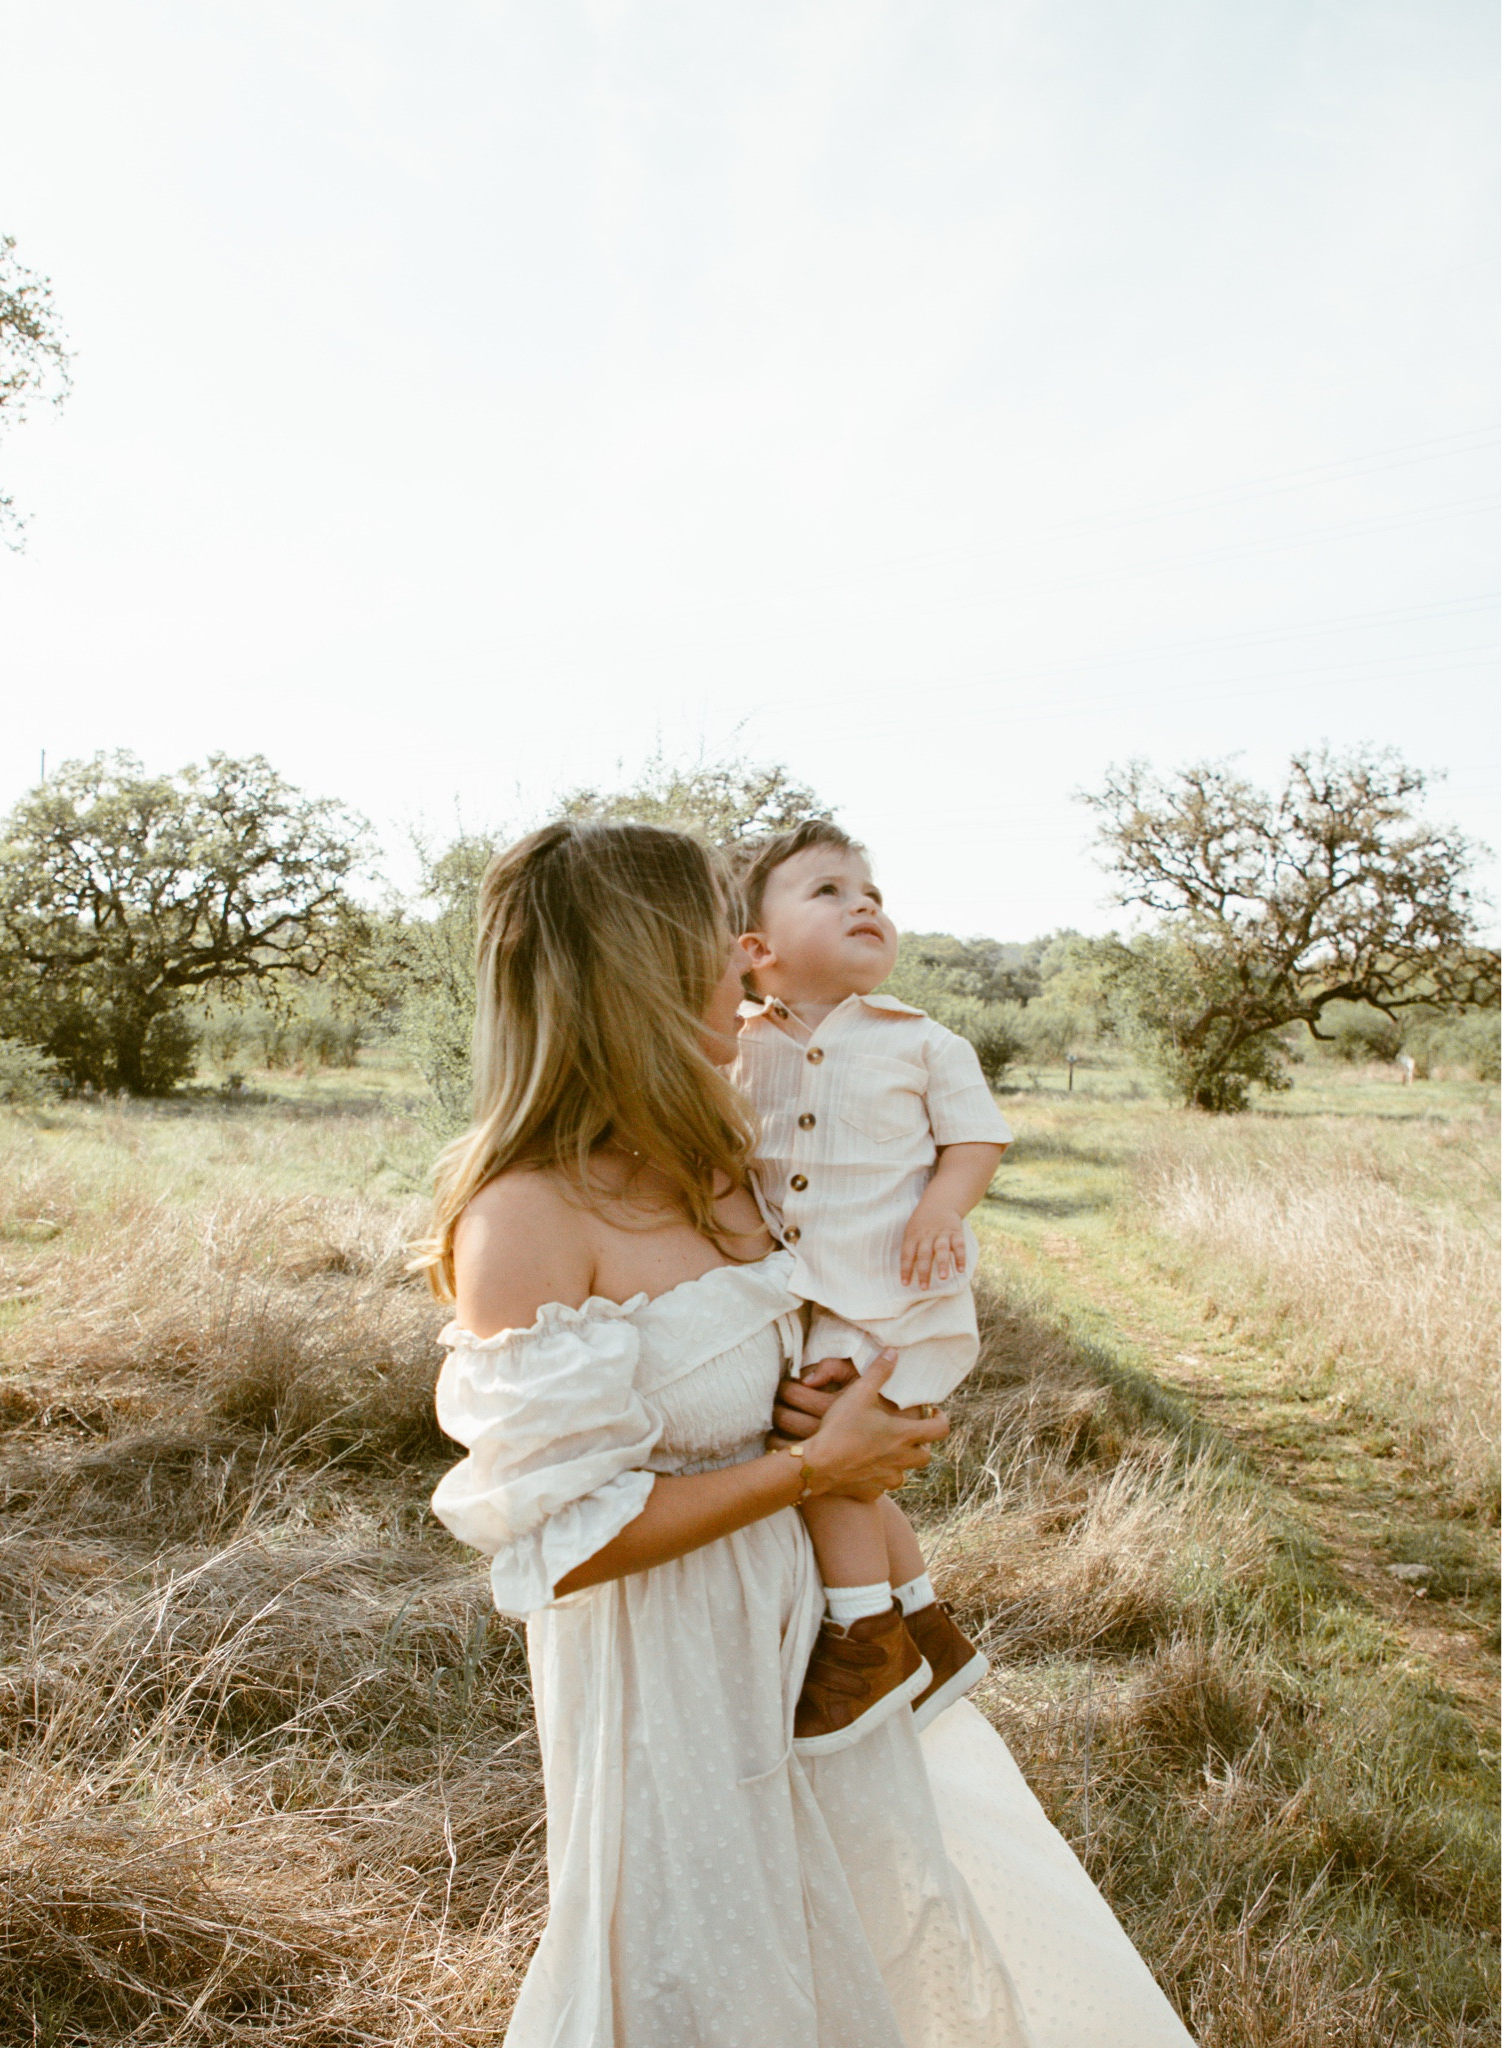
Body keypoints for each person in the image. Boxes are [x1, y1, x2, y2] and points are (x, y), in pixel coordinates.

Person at [426, 817, 1198, 2048]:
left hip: (819, 1649)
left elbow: (858, 1307)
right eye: (714, 949)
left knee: (887, 1942)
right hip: (668, 1677)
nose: (743, 969)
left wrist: (855, 1411)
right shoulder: (526, 1217)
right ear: (649, 970)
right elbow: (556, 1543)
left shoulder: (726, 1158)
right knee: (706, 1978)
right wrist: (808, 1465)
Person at [731, 818, 1006, 1753]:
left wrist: (942, 1210)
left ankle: (864, 1636)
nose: (864, 906)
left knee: (823, 1461)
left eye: (872, 895)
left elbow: (976, 1140)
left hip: (892, 1298)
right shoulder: (734, 1045)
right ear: (755, 950)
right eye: (829, 892)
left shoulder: (923, 1042)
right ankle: (928, 1625)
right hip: (803, 1297)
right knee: (839, 1454)